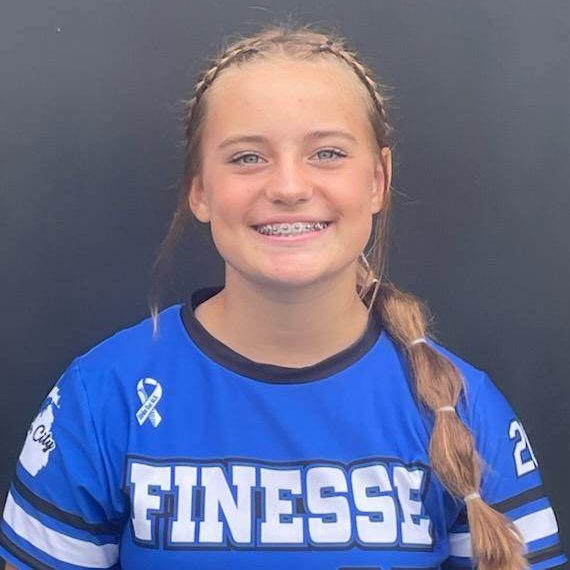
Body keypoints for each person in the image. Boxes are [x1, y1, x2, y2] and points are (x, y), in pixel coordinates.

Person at [0, 22, 566, 570]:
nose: (289, 187)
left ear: (377, 181)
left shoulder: (460, 407)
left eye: (327, 153)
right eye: (248, 157)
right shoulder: (103, 395)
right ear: (200, 190)